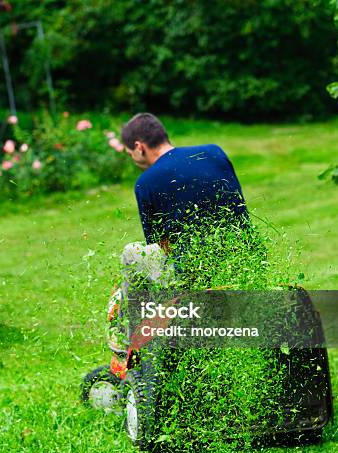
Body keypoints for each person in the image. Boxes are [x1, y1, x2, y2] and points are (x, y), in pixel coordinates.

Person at [106, 112, 249, 354]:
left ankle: (127, 336)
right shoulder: (214, 152)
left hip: (196, 277)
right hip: (244, 259)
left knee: (132, 253)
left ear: (139, 147)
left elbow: (163, 246)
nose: (133, 158)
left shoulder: (146, 182)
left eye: (130, 154)